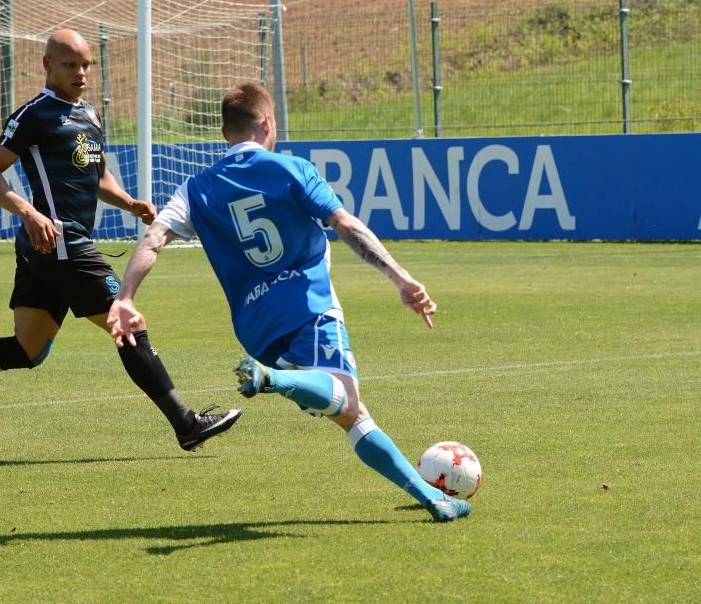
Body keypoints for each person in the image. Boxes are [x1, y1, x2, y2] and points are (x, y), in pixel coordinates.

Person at [107, 82, 471, 522]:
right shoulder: (292, 169)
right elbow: (345, 224)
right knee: (347, 399)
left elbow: (153, 238)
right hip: (308, 307)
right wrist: (400, 277)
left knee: (352, 415)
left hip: (255, 325)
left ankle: (432, 499)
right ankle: (271, 380)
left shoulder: (194, 188)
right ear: (267, 123)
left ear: (224, 133)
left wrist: (125, 296)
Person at [0, 29, 241, 451]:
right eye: (70, 65)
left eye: (86, 64)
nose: (80, 73)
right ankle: (187, 424)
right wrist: (29, 212)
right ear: (47, 65)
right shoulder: (33, 115)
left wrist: (130, 203)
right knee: (127, 322)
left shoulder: (92, 116)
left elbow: (97, 178)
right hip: (61, 242)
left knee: (28, 348)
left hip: (51, 248)